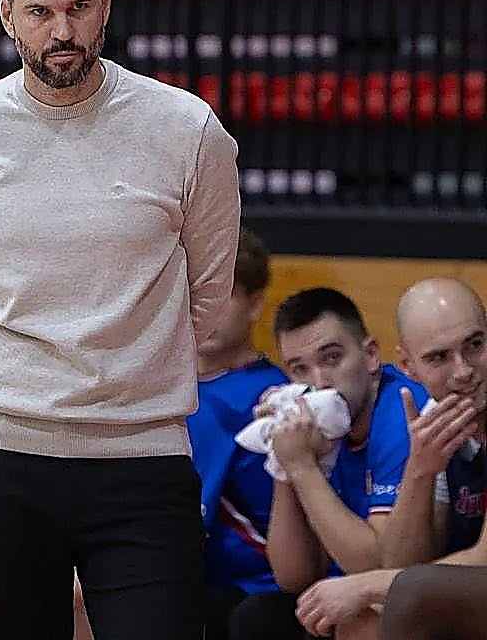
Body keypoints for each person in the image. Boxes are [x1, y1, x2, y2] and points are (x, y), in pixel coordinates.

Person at [0, 0, 241, 639]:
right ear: (8, 16)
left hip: (143, 457)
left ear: (106, 3)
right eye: (39, 12)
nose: (61, 31)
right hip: (0, 456)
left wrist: (132, 369)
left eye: (78, 8)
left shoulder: (188, 129)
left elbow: (208, 290)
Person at [292, 278, 487, 639]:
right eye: (439, 357)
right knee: (363, 619)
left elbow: (484, 559)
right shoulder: (433, 421)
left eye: (474, 345)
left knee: (395, 598)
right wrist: (420, 472)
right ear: (409, 367)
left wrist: (367, 586)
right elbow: (401, 562)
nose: (463, 371)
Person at [229, 289, 428, 640]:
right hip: (356, 591)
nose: (319, 382)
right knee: (259, 617)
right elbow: (294, 577)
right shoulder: (324, 423)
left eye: (332, 358)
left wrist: (303, 467)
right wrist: (283, 459)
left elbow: (377, 565)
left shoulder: (401, 411)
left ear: (369, 355)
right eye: (300, 370)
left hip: (415, 587)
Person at [186, 228, 290, 640]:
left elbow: (192, 522)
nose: (204, 311)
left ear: (255, 303)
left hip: (255, 589)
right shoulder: (161, 391)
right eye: (194, 295)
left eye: (222, 296)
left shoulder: (270, 394)